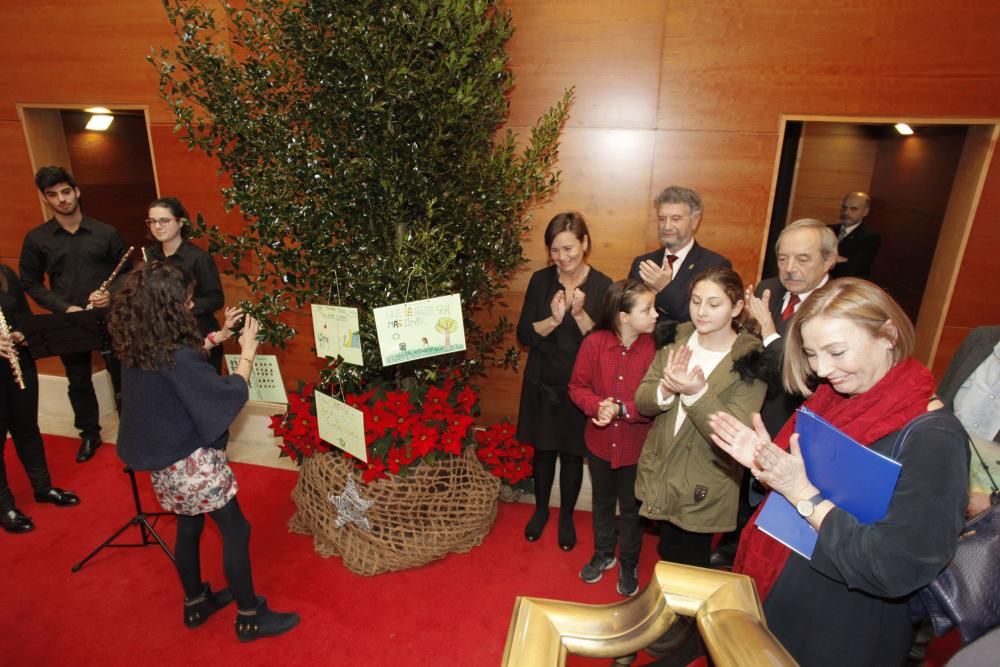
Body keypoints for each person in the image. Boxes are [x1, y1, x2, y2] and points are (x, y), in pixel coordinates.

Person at [708, 278, 968, 667]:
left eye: (837, 351)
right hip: (784, 599)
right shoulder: (833, 401)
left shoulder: (935, 438)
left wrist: (802, 494)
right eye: (811, 354)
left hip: (845, 629)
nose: (823, 370)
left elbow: (896, 566)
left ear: (888, 335)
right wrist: (768, 470)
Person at [108, 262, 298, 641]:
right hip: (191, 462)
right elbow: (225, 395)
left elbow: (179, 361)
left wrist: (220, 335)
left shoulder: (138, 344)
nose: (191, 305)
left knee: (189, 524)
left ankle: (195, 603)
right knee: (237, 529)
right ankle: (250, 617)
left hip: (162, 462)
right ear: (167, 307)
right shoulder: (175, 356)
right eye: (186, 300)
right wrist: (246, 352)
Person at [711, 218, 837, 569]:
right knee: (742, 487)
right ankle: (733, 544)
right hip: (754, 409)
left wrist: (768, 331)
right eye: (782, 258)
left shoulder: (837, 304)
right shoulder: (769, 288)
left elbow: (809, 375)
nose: (789, 268)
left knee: (779, 499)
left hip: (798, 420)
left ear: (829, 261)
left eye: (802, 259)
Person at [19, 165, 130, 462]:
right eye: (53, 195)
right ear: (46, 199)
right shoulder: (37, 239)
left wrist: (112, 293)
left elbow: (129, 273)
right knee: (78, 379)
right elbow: (29, 280)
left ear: (77, 191)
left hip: (109, 314)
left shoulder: (106, 232)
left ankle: (132, 431)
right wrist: (62, 307)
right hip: (69, 318)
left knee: (124, 375)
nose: (62, 199)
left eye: (66, 192)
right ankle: (89, 434)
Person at [517, 212, 612, 551]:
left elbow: (607, 344)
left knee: (573, 456)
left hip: (580, 387)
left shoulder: (603, 285)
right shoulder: (540, 281)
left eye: (569, 248)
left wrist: (579, 315)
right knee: (543, 451)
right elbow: (524, 334)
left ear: (585, 243)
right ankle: (541, 511)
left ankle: (567, 516)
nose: (563, 257)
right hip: (543, 382)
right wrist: (554, 320)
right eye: (555, 250)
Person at [568, 279, 658, 596]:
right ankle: (605, 553)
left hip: (637, 448)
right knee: (603, 503)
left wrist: (621, 410)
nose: (656, 314)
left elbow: (658, 400)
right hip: (599, 445)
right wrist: (597, 406)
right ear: (623, 316)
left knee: (632, 509)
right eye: (647, 309)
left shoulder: (654, 347)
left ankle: (629, 561)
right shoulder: (593, 344)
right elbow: (577, 387)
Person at [1, 263, 80, 533]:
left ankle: (42, 488)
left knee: (27, 429)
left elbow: (22, 314)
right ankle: (4, 506)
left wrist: (22, 333)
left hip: (17, 362)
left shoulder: (4, 273)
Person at [144, 196, 229, 372]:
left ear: (180, 222)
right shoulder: (150, 257)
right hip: (164, 337)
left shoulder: (198, 257)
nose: (157, 227)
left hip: (198, 335)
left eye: (164, 221)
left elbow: (216, 298)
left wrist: (186, 306)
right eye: (152, 222)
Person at [628, 186, 732, 323]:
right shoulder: (643, 263)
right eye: (662, 219)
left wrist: (664, 288)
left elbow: (707, 318)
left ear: (695, 221)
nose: (667, 226)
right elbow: (628, 312)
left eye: (676, 219)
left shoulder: (715, 265)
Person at [938, 325, 1000, 516]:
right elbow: (940, 405)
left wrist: (993, 501)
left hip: (986, 511)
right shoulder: (980, 340)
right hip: (937, 473)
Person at [831, 191, 880, 279]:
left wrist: (832, 258)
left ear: (865, 212)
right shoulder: (829, 229)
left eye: (853, 209)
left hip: (849, 285)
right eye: (844, 207)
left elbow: (855, 267)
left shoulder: (870, 236)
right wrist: (843, 259)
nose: (846, 212)